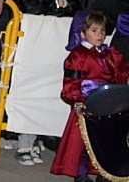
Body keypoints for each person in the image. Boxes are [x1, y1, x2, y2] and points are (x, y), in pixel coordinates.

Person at [50, 11, 129, 181]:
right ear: (83, 33)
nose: (100, 35)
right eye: (94, 30)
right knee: (82, 146)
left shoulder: (109, 54)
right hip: (86, 106)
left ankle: (104, 173)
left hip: (107, 107)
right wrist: (77, 101)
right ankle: (81, 176)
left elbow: (122, 72)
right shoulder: (78, 56)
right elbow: (70, 85)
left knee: (105, 143)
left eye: (102, 30)